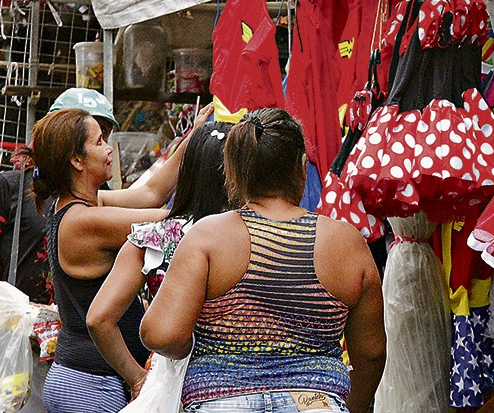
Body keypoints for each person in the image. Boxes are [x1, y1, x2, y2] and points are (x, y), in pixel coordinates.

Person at [141, 108, 386, 413]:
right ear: (301, 166)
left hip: (221, 401)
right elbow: (372, 354)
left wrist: (198, 348)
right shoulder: (346, 243)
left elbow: (161, 334)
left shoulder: (208, 237)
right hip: (315, 402)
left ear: (234, 172)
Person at [31, 103, 213, 413]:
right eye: (99, 142)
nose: (108, 149)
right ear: (77, 160)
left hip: (81, 378)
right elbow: (169, 222)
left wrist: (194, 138)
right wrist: (138, 378)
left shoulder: (79, 204)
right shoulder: (82, 222)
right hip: (92, 386)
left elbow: (152, 192)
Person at [0, 88, 120, 412]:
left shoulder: (101, 196)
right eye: (93, 136)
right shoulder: (8, 187)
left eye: (103, 134)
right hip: (20, 345)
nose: (104, 147)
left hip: (78, 353)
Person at [87, 121, 232, 396]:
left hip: (169, 385)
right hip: (242, 386)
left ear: (187, 173)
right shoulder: (257, 236)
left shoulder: (151, 239)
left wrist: (137, 378)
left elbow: (98, 319)